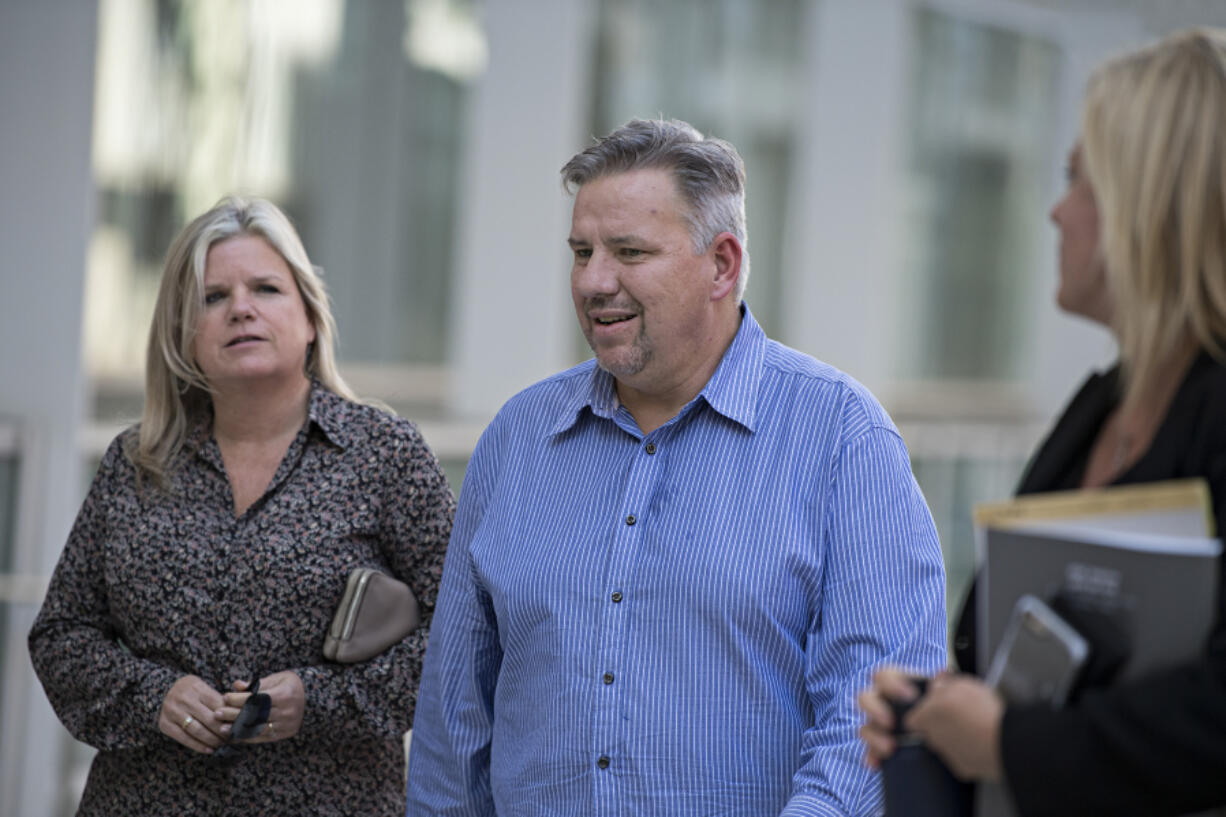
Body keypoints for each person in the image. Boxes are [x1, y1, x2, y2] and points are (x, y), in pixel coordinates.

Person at [405, 118, 947, 817]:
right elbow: (454, 727)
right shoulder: (517, 439)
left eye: (629, 251)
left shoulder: (842, 437)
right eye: (581, 251)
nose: (595, 281)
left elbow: (874, 706)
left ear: (722, 263)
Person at [859, 28, 1226, 817]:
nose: (1057, 212)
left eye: (1077, 181)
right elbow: (1013, 647)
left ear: (1150, 202)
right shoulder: (1099, 406)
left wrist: (1007, 743)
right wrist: (936, 707)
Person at [28, 196, 455, 815]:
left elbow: (462, 633)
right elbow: (63, 635)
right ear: (183, 334)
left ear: (309, 317)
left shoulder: (384, 455)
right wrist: (155, 696)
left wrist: (319, 700)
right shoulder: (135, 464)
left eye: (266, 289)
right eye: (214, 297)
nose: (242, 309)